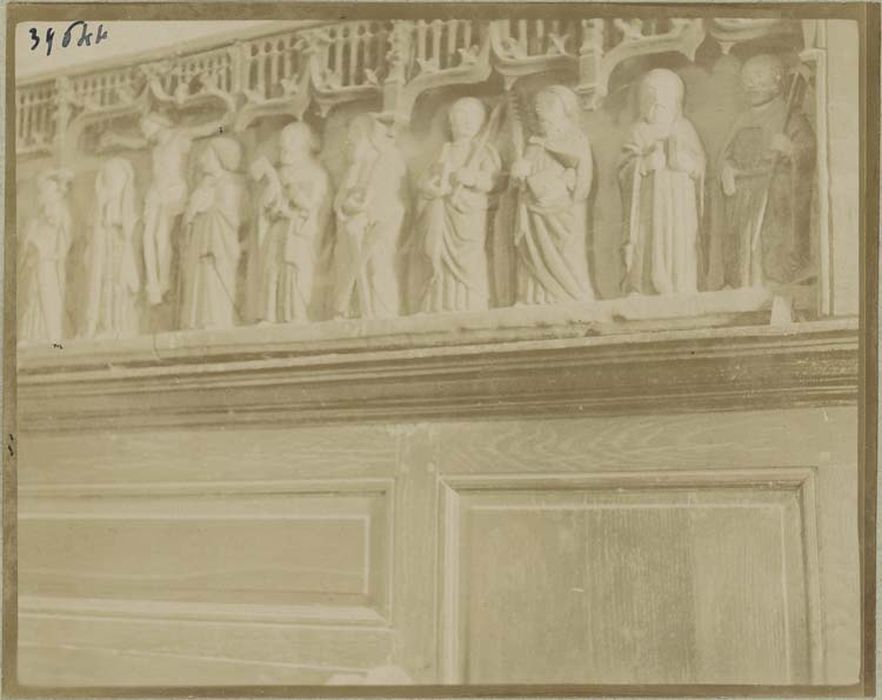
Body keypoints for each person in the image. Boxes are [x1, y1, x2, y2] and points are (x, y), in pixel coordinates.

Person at [100, 111, 225, 307]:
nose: (144, 131)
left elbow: (205, 130)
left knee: (161, 236)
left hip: (173, 191)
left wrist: (224, 125)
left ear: (158, 123)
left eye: (146, 126)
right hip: (156, 191)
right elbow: (137, 144)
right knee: (147, 235)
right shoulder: (155, 144)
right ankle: (152, 283)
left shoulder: (178, 135)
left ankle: (163, 281)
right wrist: (117, 139)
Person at [717, 53, 815, 289]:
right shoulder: (742, 119)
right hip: (743, 195)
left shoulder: (790, 116)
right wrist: (726, 169)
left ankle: (776, 278)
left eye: (759, 77)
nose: (752, 84)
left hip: (775, 192)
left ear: (777, 80)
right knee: (744, 243)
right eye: (748, 79)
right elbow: (725, 155)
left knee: (772, 239)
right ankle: (744, 280)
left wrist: (790, 149)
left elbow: (808, 153)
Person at [619, 68, 706, 296]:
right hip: (648, 204)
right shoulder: (638, 131)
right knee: (647, 239)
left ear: (676, 101)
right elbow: (624, 168)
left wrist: (687, 165)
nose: (657, 103)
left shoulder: (684, 128)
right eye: (651, 96)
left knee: (681, 240)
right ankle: (642, 285)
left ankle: (682, 283)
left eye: (663, 97)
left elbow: (700, 166)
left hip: (680, 202)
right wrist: (643, 165)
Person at [413, 97, 502, 313]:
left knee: (469, 260)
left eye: (473, 117)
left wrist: (473, 178)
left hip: (468, 215)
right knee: (435, 257)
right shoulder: (443, 151)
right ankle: (437, 303)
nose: (467, 121)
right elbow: (424, 181)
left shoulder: (484, 151)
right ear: (451, 121)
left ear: (481, 123)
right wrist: (431, 188)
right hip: (441, 214)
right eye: (461, 115)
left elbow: (494, 181)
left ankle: (472, 303)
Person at [509, 85, 595, 305]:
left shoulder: (575, 138)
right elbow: (521, 180)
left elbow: (582, 176)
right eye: (538, 106)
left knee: (565, 251)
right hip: (533, 211)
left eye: (548, 105)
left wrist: (562, 183)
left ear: (565, 109)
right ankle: (533, 297)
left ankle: (574, 294)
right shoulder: (533, 144)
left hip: (562, 210)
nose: (540, 110)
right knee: (532, 252)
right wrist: (519, 173)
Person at [250, 122, 331, 323]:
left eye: (290, 143)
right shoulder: (279, 173)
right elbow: (267, 205)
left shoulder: (316, 174)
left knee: (294, 269)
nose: (283, 148)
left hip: (299, 234)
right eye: (282, 145)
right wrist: (272, 191)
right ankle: (270, 315)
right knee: (272, 270)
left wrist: (292, 192)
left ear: (304, 145)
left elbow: (316, 207)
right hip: (277, 230)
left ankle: (296, 314)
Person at [332, 113, 408, 320]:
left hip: (380, 224)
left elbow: (393, 196)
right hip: (353, 229)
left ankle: (382, 311)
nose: (348, 143)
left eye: (353, 138)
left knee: (377, 263)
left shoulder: (388, 159)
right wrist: (347, 207)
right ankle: (353, 311)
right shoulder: (354, 169)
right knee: (349, 266)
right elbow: (340, 201)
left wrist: (367, 210)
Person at [178, 137, 247, 330]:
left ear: (220, 158)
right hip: (200, 241)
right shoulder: (203, 185)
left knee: (215, 278)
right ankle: (196, 320)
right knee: (198, 278)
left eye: (207, 156)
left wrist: (205, 207)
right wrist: (192, 212)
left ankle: (216, 319)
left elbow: (236, 216)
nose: (202, 160)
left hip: (219, 243)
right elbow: (190, 218)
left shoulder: (232, 183)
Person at [84, 157, 141, 338]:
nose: (110, 183)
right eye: (107, 178)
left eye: (114, 178)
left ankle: (118, 324)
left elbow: (128, 231)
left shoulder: (128, 207)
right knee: (101, 286)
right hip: (102, 255)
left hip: (119, 253)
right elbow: (92, 233)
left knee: (118, 286)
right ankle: (102, 325)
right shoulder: (100, 207)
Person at [19, 170, 73, 344]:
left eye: (43, 191)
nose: (40, 195)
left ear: (55, 192)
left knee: (48, 296)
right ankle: (35, 333)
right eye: (40, 191)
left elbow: (64, 237)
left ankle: (53, 337)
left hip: (49, 262)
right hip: (38, 263)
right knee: (34, 295)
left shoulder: (59, 211)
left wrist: (44, 248)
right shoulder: (39, 218)